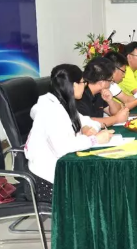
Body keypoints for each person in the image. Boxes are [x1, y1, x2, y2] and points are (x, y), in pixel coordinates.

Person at [25, 64, 114, 202]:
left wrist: (85, 128)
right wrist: (95, 140)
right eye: (83, 82)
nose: (85, 86)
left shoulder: (63, 103)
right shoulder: (50, 111)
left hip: (63, 167)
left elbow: (89, 121)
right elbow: (62, 147)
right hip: (46, 181)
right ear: (74, 85)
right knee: (100, 187)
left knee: (104, 178)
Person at [75, 58, 130, 127]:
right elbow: (87, 122)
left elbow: (116, 112)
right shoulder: (80, 95)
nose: (112, 83)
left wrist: (110, 101)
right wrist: (116, 119)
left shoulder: (99, 92)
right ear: (102, 83)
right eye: (110, 80)